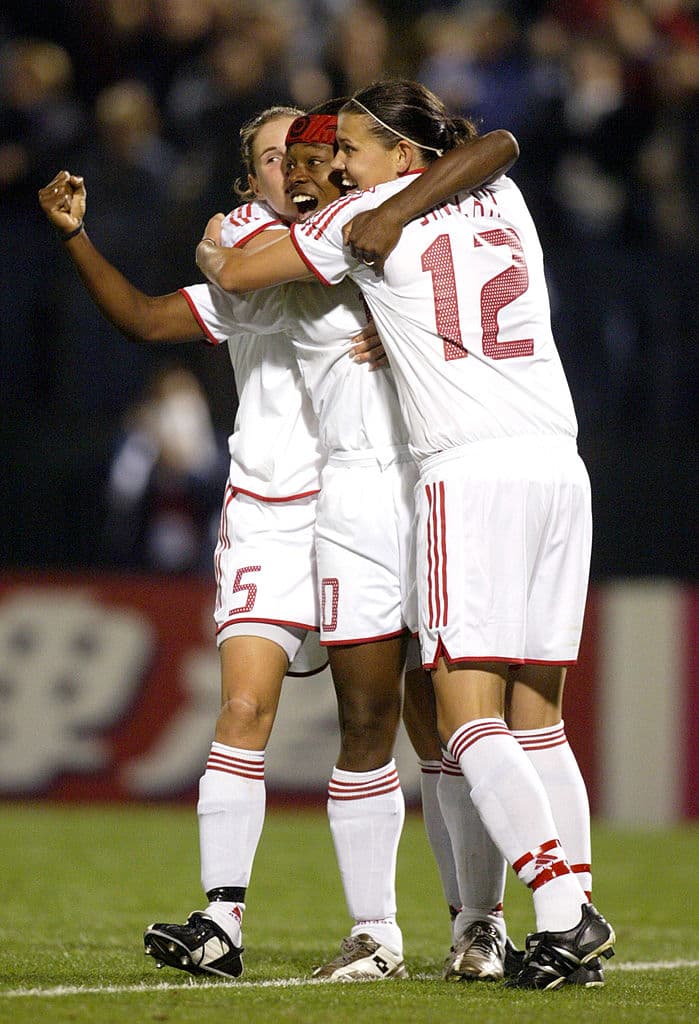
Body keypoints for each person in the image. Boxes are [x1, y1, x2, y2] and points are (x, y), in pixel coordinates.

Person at [39, 102, 518, 982]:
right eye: (274, 156)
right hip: (274, 505)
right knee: (264, 710)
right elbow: (149, 319)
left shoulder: (360, 232)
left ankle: (476, 923)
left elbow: (438, 225)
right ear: (250, 178)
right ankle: (237, 920)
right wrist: (83, 238)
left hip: (391, 492)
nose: (296, 164)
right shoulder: (256, 252)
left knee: (432, 718)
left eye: (312, 149)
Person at [193, 78, 616, 991]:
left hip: (465, 471)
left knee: (465, 723)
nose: (334, 164)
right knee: (537, 718)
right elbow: (497, 140)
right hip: (559, 461)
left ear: (401, 154)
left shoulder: (347, 227)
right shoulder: (493, 190)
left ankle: (559, 910)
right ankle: (572, 913)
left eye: (347, 146)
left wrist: (224, 239)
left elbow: (232, 272)